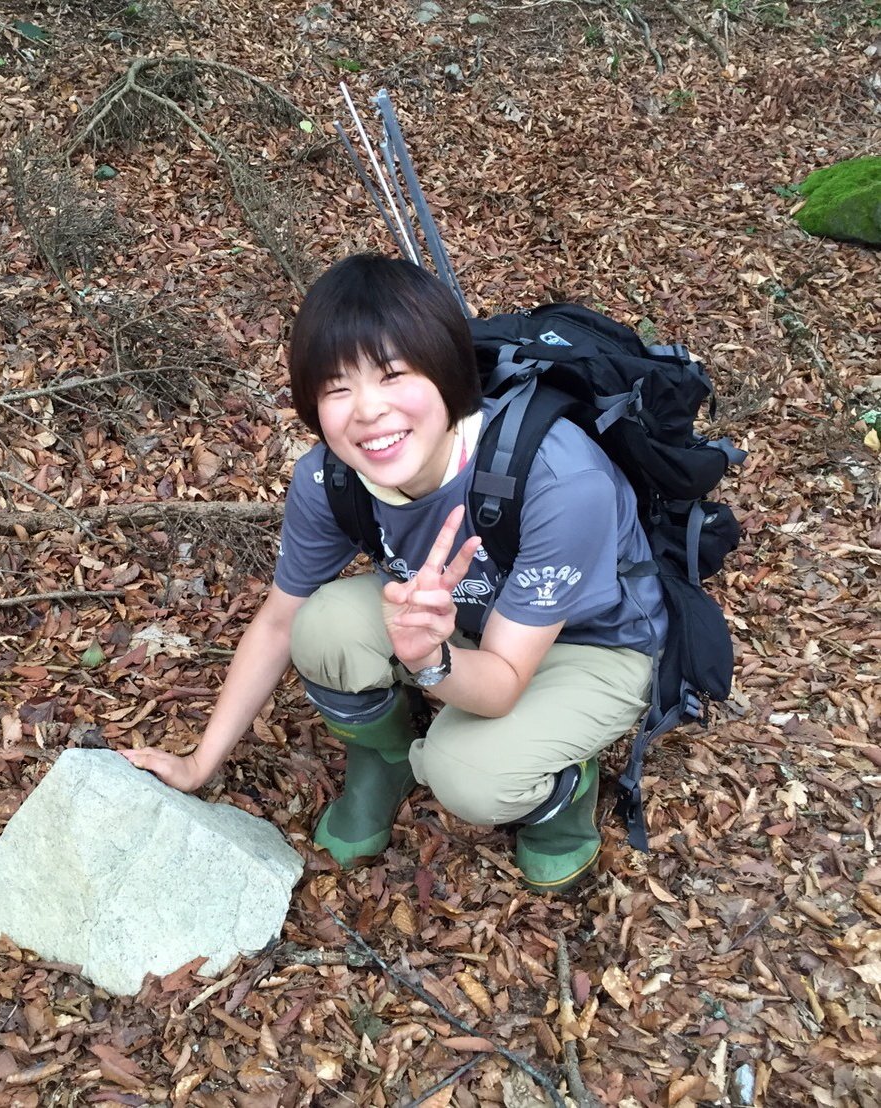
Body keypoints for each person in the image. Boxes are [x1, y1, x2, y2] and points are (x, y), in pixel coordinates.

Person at [122, 254, 667, 894]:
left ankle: (562, 796)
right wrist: (197, 764)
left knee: (468, 773)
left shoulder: (559, 481)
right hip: (460, 616)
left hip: (589, 644)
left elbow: (501, 682)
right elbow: (277, 623)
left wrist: (430, 663)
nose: (367, 411)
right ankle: (382, 762)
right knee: (321, 627)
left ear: (448, 377)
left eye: (393, 374)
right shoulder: (331, 480)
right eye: (336, 387)